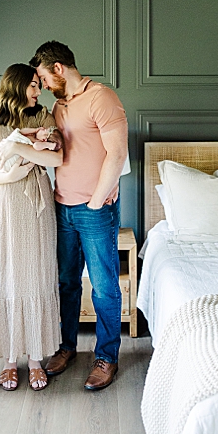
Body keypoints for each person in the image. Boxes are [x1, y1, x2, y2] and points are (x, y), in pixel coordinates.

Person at [30, 41, 129, 391]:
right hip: (61, 206)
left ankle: (106, 357)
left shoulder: (101, 97)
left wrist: (98, 200)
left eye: (43, 77)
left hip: (94, 210)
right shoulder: (56, 107)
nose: (41, 85)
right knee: (66, 283)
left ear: (58, 69)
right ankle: (66, 347)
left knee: (103, 288)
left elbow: (118, 153)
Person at [0, 63, 63, 391]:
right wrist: (7, 176)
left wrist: (25, 150)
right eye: (33, 85)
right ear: (15, 85)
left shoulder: (43, 117)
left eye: (39, 85)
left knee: (34, 274)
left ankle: (35, 357)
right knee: (3, 275)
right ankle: (9, 359)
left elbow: (57, 160)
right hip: (0, 204)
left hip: (35, 206)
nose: (38, 91)